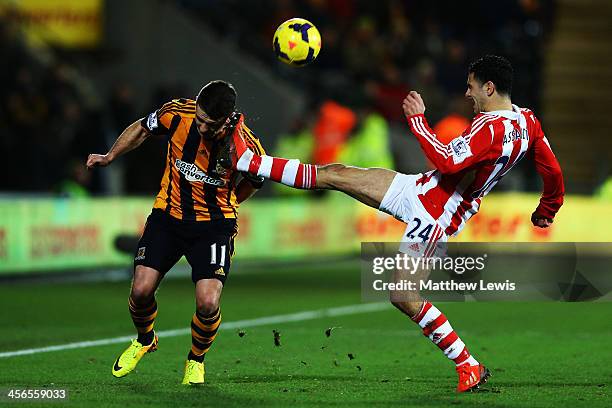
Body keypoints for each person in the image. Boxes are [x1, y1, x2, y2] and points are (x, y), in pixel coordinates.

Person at [219, 55, 565, 392]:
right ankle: (248, 160)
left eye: (471, 87)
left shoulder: (489, 129)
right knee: (337, 174)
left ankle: (467, 364)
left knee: (403, 295)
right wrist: (548, 206)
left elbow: (447, 162)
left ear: (489, 87)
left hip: (434, 217)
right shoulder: (527, 121)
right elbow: (551, 167)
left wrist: (417, 120)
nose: (467, 94)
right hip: (418, 189)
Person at [86, 80, 266, 385]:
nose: (200, 126)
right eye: (198, 117)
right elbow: (142, 128)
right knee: (140, 291)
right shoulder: (176, 113)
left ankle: (196, 360)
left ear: (226, 120)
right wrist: (110, 156)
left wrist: (232, 200)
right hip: (168, 217)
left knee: (208, 303)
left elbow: (256, 180)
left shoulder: (246, 144)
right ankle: (145, 339)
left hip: (214, 227)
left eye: (208, 124)